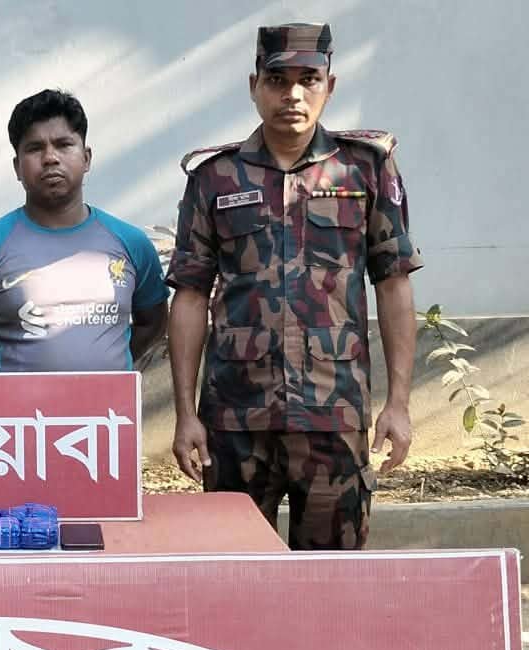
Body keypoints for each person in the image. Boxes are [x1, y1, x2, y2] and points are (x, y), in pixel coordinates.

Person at [166, 23, 421, 550]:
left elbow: (393, 285)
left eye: (309, 79)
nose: (293, 95)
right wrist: (185, 414)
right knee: (233, 575)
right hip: (236, 420)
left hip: (334, 415)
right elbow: (189, 295)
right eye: (278, 80)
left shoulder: (365, 168)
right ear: (254, 85)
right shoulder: (215, 178)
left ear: (331, 85)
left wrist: (398, 403)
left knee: (330, 581)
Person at [0, 89, 168, 372]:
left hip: (107, 403)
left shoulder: (132, 243)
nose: (50, 158)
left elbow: (154, 323)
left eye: (63, 144)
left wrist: (116, 372)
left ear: (87, 158)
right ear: (17, 167)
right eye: (35, 148)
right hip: (16, 404)